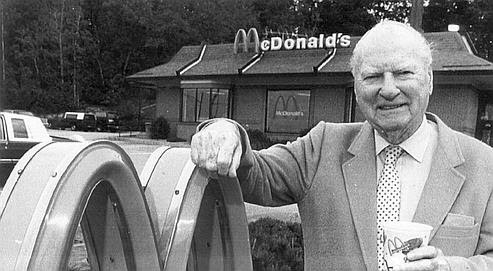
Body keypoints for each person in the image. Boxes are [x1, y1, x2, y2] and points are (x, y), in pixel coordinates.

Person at [190, 20, 493, 271]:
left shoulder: (484, 164)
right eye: (373, 76)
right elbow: (255, 175)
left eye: (403, 73)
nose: (388, 89)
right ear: (356, 86)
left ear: (428, 80)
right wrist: (225, 131)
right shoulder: (323, 146)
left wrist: (454, 267)